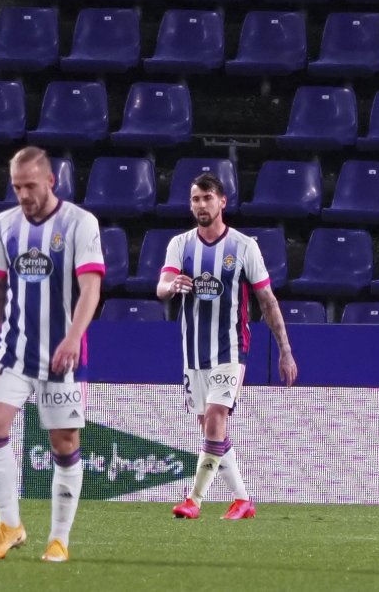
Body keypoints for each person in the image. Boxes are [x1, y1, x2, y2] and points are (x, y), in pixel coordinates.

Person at [0, 146, 103, 564]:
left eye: (30, 185)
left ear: (51, 181)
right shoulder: (5, 225)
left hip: (61, 357)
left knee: (64, 445)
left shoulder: (80, 223)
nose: (23, 194)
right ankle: (10, 525)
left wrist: (73, 337)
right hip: (14, 350)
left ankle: (59, 538)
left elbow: (91, 289)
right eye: (16, 186)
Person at [157, 173, 297, 520]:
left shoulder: (243, 246)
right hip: (194, 352)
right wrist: (171, 286)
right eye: (195, 199)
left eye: (207, 198)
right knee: (211, 429)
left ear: (222, 202)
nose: (200, 205)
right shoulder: (181, 244)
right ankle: (243, 499)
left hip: (231, 350)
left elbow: (266, 299)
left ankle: (193, 499)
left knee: (217, 418)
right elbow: (160, 286)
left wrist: (285, 350)